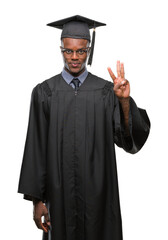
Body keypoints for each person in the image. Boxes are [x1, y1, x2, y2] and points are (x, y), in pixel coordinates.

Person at [18, 15, 150, 240]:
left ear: (89, 49)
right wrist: (37, 200)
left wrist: (124, 101)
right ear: (61, 49)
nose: (75, 57)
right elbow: (36, 147)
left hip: (99, 193)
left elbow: (129, 141)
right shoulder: (45, 92)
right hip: (58, 195)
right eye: (68, 51)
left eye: (81, 51)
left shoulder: (106, 92)